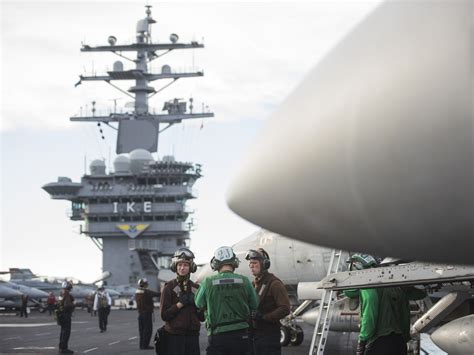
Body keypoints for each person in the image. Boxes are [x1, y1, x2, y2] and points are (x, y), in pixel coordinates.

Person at [344, 254, 427, 355]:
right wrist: (404, 337)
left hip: (379, 342)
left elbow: (370, 315)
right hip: (399, 342)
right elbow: (416, 299)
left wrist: (362, 341)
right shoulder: (395, 285)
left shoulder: (367, 284)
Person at [195, 246, 259, 355]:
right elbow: (255, 304)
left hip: (217, 336)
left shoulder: (208, 282)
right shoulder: (245, 281)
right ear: (234, 262)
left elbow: (198, 303)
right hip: (242, 335)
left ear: (215, 263)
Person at [245, 248, 291, 355]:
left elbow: (285, 308)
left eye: (255, 263)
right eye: (250, 263)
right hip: (254, 336)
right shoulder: (253, 284)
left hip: (269, 336)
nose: (251, 266)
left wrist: (264, 317)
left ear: (265, 264)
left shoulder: (274, 283)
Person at [160, 247, 203, 355]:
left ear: (191, 267)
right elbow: (164, 315)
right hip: (175, 337)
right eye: (179, 265)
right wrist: (179, 304)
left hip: (192, 337)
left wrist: (198, 307)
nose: (182, 268)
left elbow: (202, 317)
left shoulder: (196, 288)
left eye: (185, 265)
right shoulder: (169, 287)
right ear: (175, 266)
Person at [135, 277, 160, 350]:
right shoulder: (147, 292)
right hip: (147, 313)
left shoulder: (137, 291)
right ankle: (145, 345)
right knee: (148, 330)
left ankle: (141, 345)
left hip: (140, 314)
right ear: (145, 284)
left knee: (141, 330)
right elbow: (157, 294)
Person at [57, 281, 75, 354]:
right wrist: (74, 304)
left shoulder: (61, 293)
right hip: (66, 315)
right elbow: (67, 305)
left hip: (61, 315)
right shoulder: (66, 294)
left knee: (62, 332)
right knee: (66, 332)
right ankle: (64, 349)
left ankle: (61, 348)